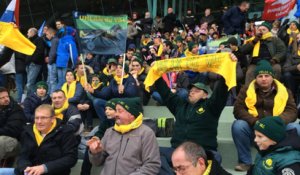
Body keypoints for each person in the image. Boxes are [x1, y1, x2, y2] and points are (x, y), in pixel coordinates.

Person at [156, 54, 237, 175]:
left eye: (197, 91)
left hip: (203, 151)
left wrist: (228, 66)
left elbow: (221, 91)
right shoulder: (179, 105)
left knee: (213, 159)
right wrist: (156, 74)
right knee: (153, 155)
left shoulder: (211, 106)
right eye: (191, 90)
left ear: (205, 95)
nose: (192, 92)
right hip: (177, 151)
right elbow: (165, 93)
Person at [232, 60, 299, 171]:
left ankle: (294, 160)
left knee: (296, 128)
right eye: (260, 76)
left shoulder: (284, 90)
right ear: (255, 78)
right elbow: (238, 109)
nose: (263, 79)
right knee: (238, 125)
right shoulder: (246, 89)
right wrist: (255, 122)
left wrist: (277, 122)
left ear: (272, 77)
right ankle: (245, 162)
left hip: (277, 128)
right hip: (255, 128)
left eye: (267, 75)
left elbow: (292, 110)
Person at [88, 97, 161, 175]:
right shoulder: (109, 132)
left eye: (119, 111)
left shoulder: (146, 133)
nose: (116, 114)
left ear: (131, 115)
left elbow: (152, 165)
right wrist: (95, 153)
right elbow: (97, 163)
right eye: (116, 111)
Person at [14, 104, 78, 175]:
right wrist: (26, 169)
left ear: (53, 119)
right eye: (36, 118)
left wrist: (44, 168)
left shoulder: (65, 132)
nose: (39, 121)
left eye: (43, 118)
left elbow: (71, 158)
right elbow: (22, 156)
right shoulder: (27, 132)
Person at [80, 98, 118, 175]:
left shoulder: (121, 122)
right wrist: (95, 138)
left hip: (115, 147)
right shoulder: (106, 121)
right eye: (106, 109)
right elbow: (100, 132)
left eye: (110, 109)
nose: (107, 111)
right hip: (106, 145)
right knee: (91, 145)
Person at [0, 87, 25, 161]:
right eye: (2, 98)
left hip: (16, 141)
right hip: (3, 136)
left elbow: (13, 130)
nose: (6, 99)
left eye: (7, 96)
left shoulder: (16, 109)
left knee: (1, 141)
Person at [25, 28, 46, 95]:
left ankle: (31, 98)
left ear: (32, 33)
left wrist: (33, 60)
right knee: (31, 82)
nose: (27, 34)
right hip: (29, 64)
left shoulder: (39, 40)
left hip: (34, 64)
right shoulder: (30, 41)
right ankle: (35, 97)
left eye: (28, 32)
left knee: (30, 83)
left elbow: (40, 51)